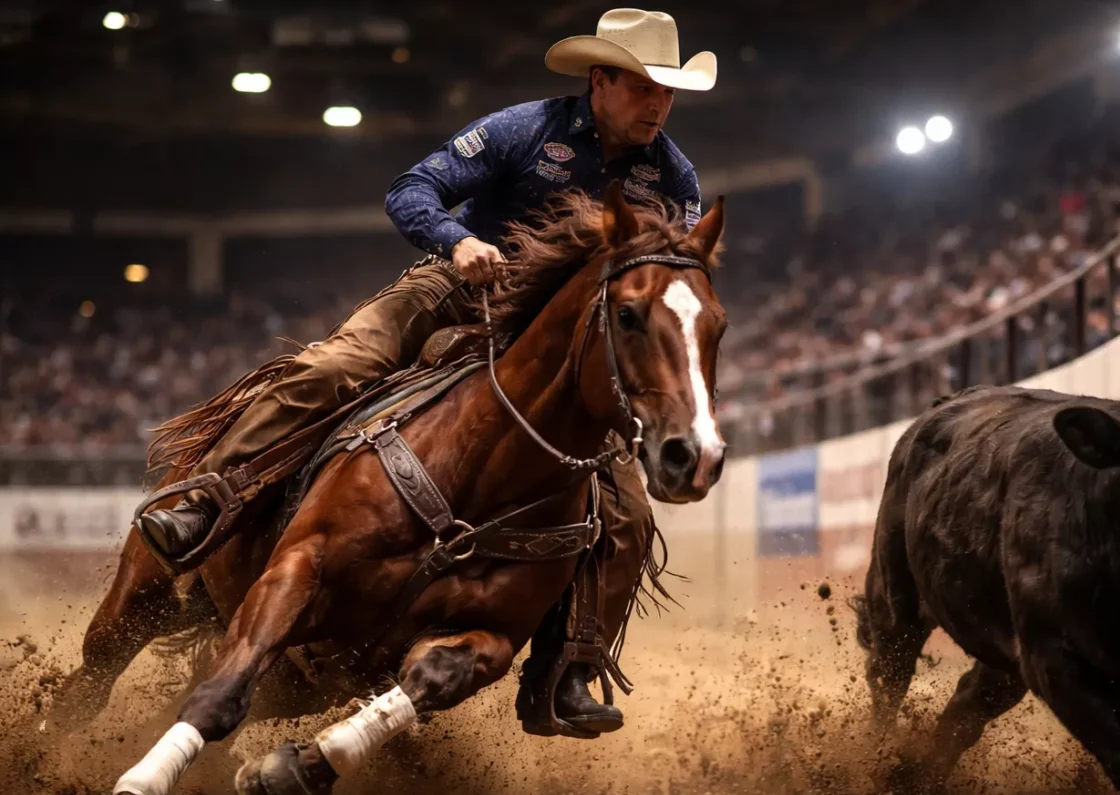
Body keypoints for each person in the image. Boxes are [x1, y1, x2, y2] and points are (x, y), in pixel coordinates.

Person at [135, 8, 716, 738]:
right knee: (333, 368)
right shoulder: (522, 129)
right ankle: (211, 499)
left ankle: (565, 670)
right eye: (644, 87)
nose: (659, 104)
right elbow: (412, 189)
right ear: (599, 81)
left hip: (564, 341)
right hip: (457, 290)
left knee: (625, 510)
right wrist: (460, 240)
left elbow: (671, 275)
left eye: (668, 92)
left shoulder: (675, 178)